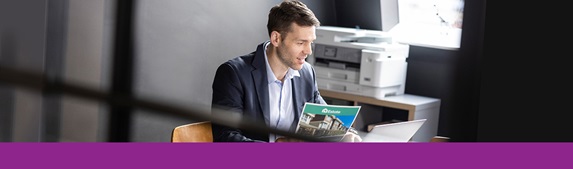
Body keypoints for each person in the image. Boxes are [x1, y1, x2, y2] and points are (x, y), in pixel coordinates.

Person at [211, 0, 360, 142]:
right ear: (276, 38)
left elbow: (327, 123)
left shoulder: (307, 73)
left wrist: (346, 135)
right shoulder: (233, 74)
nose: (308, 51)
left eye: (311, 43)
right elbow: (226, 137)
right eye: (301, 43)